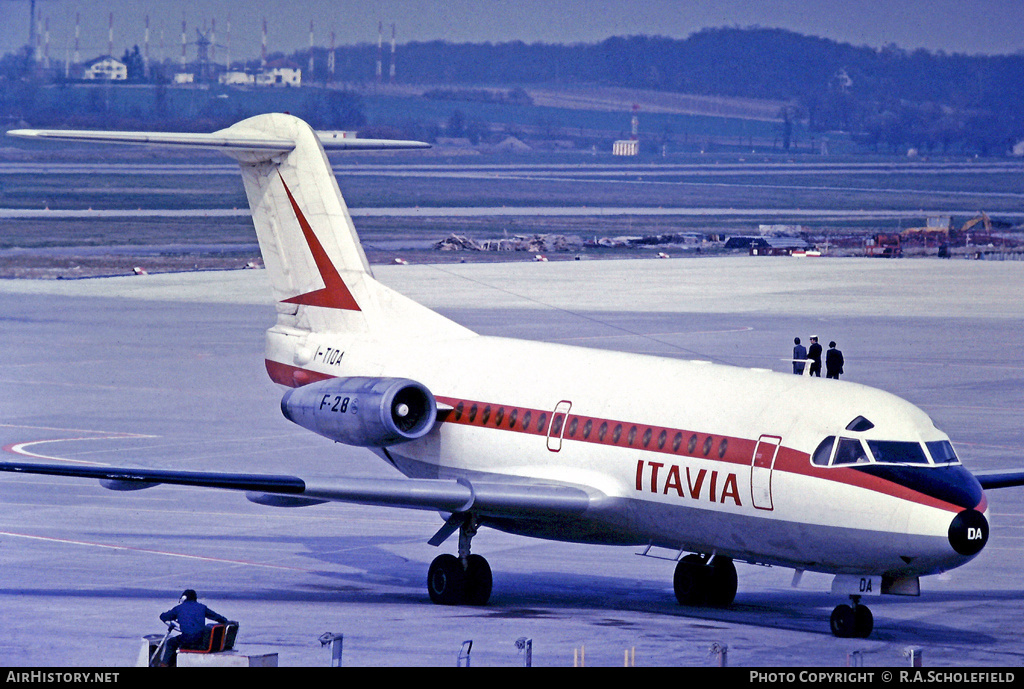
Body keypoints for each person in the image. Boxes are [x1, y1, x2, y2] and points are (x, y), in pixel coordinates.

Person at [157, 589, 231, 666]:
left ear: (183, 598)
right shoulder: (202, 607)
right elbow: (217, 617)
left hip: (187, 639)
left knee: (171, 642)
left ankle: (165, 664)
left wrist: (162, 615)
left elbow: (165, 617)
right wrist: (226, 621)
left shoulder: (179, 608)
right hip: (200, 639)